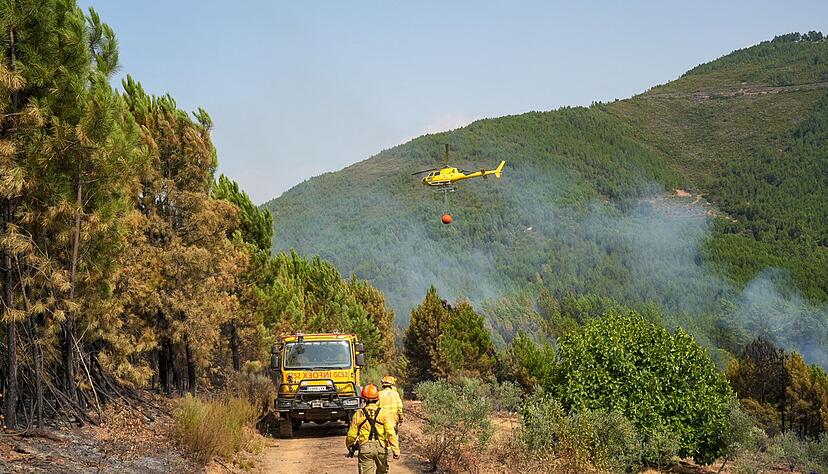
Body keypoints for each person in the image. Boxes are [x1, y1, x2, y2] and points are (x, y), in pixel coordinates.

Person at [346, 384, 400, 474]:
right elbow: (390, 433)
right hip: (382, 448)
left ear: (364, 399)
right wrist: (396, 450)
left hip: (365, 448)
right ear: (377, 398)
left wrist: (349, 445)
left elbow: (351, 435)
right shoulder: (384, 413)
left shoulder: (359, 414)